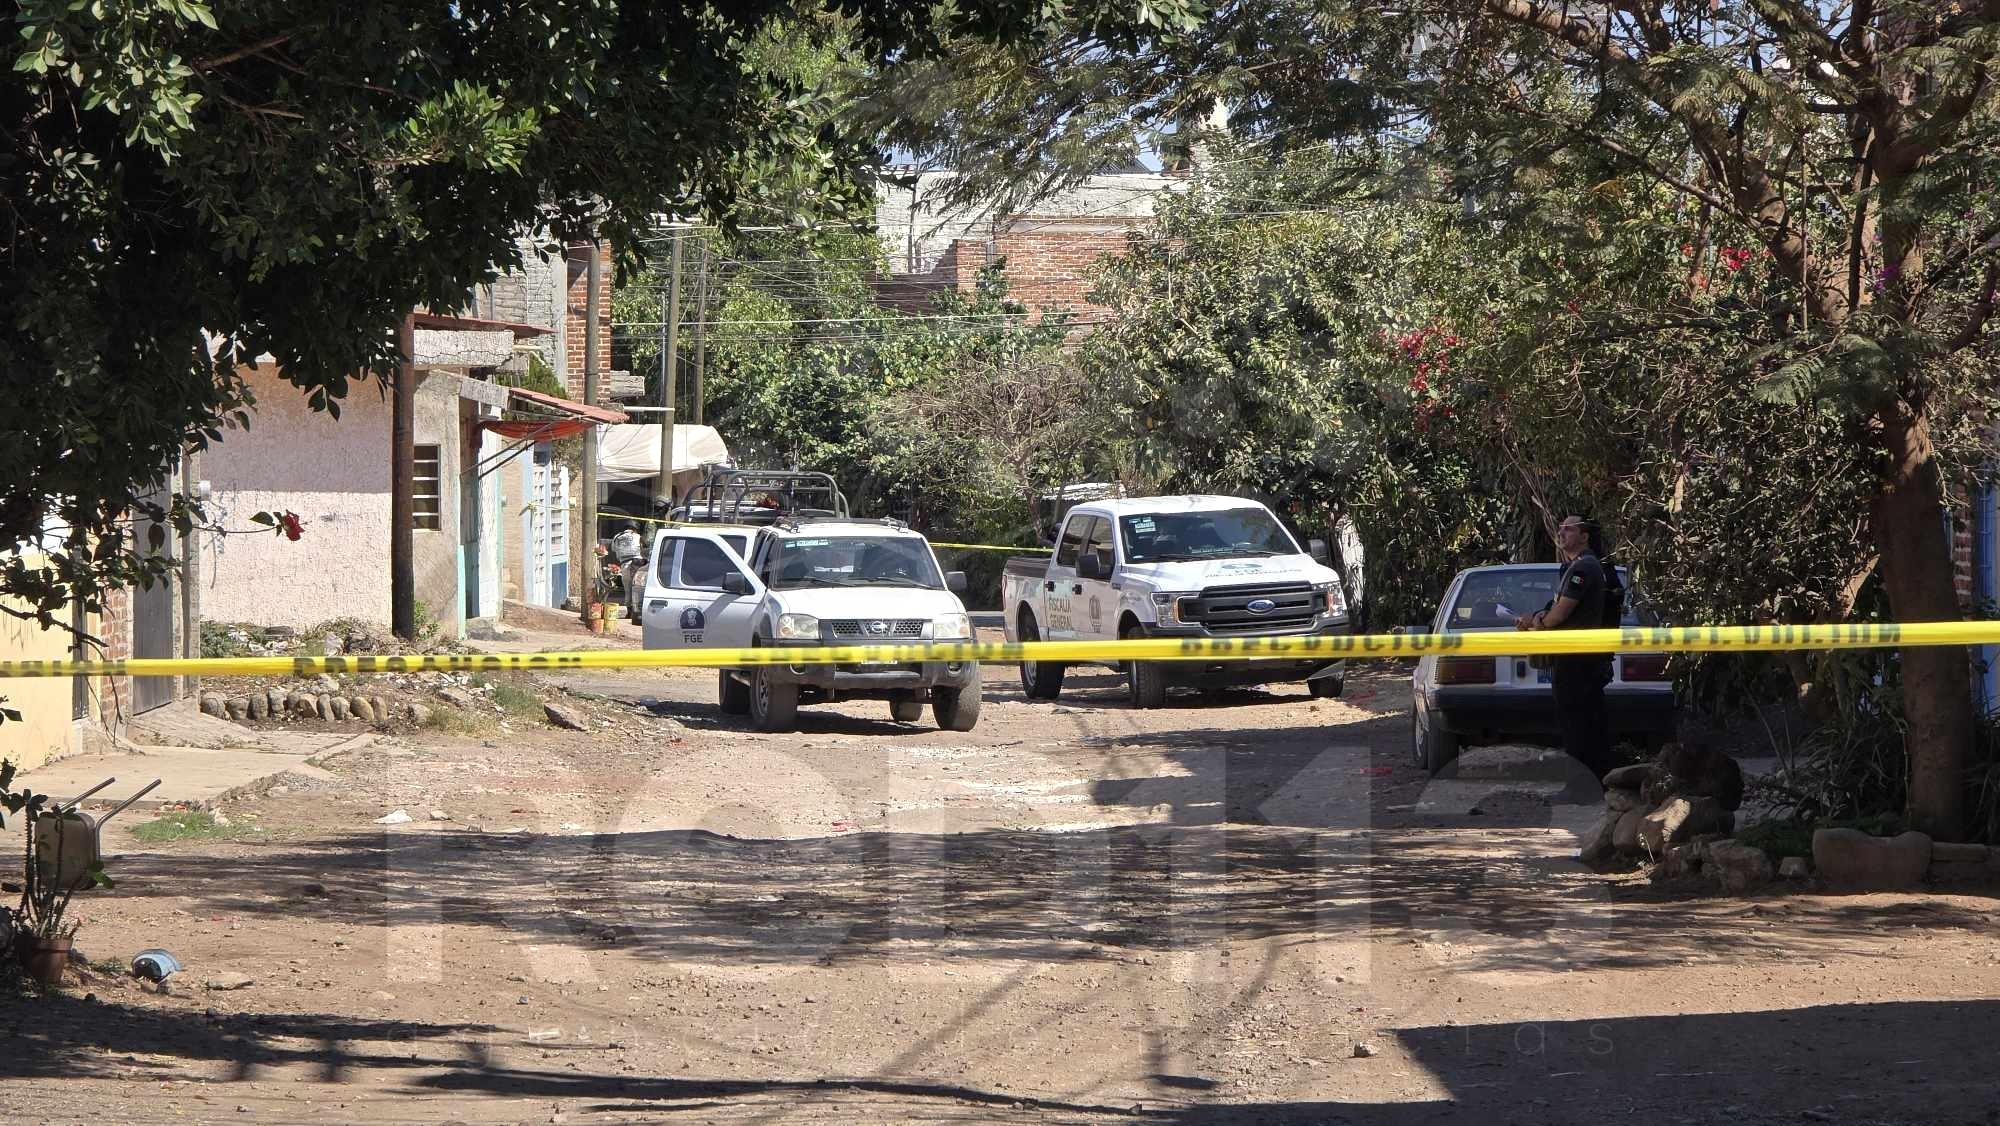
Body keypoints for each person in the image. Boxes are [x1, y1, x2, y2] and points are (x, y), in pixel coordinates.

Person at [1515, 515, 1615, 788]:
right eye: (1560, 528)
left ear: (1584, 536)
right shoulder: (1576, 566)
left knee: (1577, 725)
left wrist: (1538, 622)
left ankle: (1581, 788)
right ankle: (1594, 783)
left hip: (1576, 659)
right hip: (1577, 658)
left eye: (1568, 529)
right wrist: (1539, 617)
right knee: (1585, 722)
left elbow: (1559, 614)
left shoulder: (1584, 567)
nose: (1561, 533)